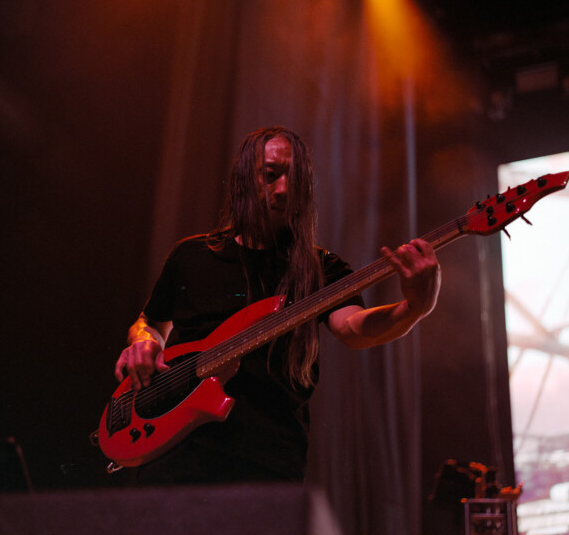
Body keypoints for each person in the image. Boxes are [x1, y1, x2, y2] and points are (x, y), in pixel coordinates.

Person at [113, 126, 440, 484]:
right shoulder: (190, 256)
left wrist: (414, 307)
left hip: (266, 462)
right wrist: (144, 341)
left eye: (294, 179)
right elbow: (151, 321)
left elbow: (354, 329)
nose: (283, 189)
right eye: (270, 175)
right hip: (174, 453)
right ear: (242, 180)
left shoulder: (320, 269)